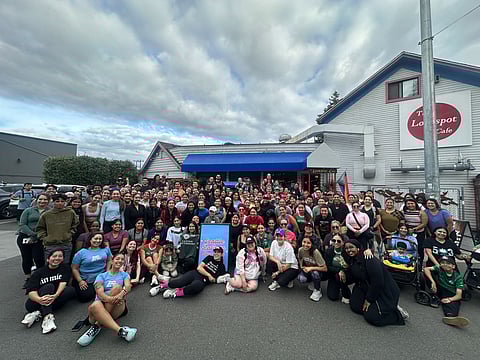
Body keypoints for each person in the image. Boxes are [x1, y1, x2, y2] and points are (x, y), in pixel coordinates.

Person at [76, 252, 137, 347]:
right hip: (100, 306)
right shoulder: (102, 276)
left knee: (117, 288)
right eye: (117, 259)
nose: (120, 261)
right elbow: (99, 292)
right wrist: (110, 298)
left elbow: (128, 286)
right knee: (96, 305)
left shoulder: (125, 275)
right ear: (112, 261)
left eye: (122, 259)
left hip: (117, 305)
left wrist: (121, 294)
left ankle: (97, 326)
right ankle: (120, 330)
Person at [345, 239, 408, 326]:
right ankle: (375, 308)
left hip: (383, 290)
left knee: (372, 317)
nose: (349, 250)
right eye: (346, 248)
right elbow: (352, 278)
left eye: (351, 247)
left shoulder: (369, 258)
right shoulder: (351, 260)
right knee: (355, 306)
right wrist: (342, 272)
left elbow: (378, 282)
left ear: (358, 248)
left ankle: (397, 314)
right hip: (365, 287)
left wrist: (369, 299)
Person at [21, 248, 76, 334]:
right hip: (36, 302)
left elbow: (63, 283)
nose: (57, 258)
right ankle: (48, 316)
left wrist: (55, 295)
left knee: (71, 290)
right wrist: (39, 299)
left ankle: (38, 313)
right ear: (48, 259)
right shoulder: (39, 272)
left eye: (60, 256)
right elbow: (31, 292)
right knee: (49, 286)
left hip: (55, 297)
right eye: (54, 256)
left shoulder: (65, 268)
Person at [150, 247, 229, 298]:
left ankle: (174, 292)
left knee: (195, 288)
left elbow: (217, 279)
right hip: (195, 273)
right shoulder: (209, 258)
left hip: (202, 281)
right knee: (178, 282)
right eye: (215, 251)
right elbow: (199, 268)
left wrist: (214, 279)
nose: (216, 253)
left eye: (218, 252)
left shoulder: (222, 266)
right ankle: (160, 287)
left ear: (222, 254)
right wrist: (209, 275)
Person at [424, 256, 470, 327]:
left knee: (452, 304)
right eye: (443, 263)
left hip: (450, 293)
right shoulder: (439, 268)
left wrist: (449, 299)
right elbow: (426, 269)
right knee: (428, 273)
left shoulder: (457, 277)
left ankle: (451, 318)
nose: (445, 265)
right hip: (440, 288)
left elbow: (458, 295)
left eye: (448, 263)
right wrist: (432, 282)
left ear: (453, 266)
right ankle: (435, 297)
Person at [17, 192, 50, 288]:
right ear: (36, 200)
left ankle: (39, 278)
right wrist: (33, 234)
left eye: (45, 199)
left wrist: (39, 236)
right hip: (25, 237)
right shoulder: (28, 210)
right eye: (40, 199)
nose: (42, 201)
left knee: (38, 258)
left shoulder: (50, 212)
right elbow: (22, 224)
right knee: (27, 258)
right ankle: (28, 278)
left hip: (40, 239)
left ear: (48, 201)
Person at [36, 193, 79, 264]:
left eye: (62, 201)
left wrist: (69, 234)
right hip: (50, 244)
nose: (60, 203)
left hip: (66, 243)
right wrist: (45, 238)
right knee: (50, 264)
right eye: (57, 201)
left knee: (64, 264)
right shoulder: (46, 214)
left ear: (65, 202)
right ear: (53, 202)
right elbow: (40, 228)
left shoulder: (70, 213)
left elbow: (75, 224)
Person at [71, 232, 113, 303]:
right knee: (85, 297)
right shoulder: (81, 252)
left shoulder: (106, 249)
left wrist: (107, 271)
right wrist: (80, 281)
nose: (98, 241)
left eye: (100, 239)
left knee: (113, 288)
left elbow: (109, 260)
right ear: (90, 240)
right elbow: (74, 268)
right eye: (96, 238)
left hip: (101, 276)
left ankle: (99, 291)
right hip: (86, 278)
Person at [297, 237, 327, 301]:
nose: (305, 244)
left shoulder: (315, 252)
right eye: (304, 242)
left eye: (308, 243)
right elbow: (300, 258)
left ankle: (318, 290)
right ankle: (312, 282)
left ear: (312, 244)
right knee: (301, 278)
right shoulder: (300, 250)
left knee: (315, 273)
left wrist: (311, 268)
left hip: (319, 271)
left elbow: (325, 268)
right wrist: (301, 266)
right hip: (309, 269)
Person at [325, 234, 351, 303]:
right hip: (334, 274)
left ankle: (345, 292)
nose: (336, 242)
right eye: (334, 240)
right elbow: (328, 266)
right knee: (332, 297)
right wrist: (339, 271)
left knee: (342, 277)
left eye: (339, 241)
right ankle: (338, 286)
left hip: (347, 273)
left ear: (343, 242)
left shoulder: (347, 251)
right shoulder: (329, 251)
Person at [403, 198, 428, 264]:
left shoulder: (421, 212)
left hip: (419, 233)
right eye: (408, 204)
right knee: (408, 247)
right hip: (407, 233)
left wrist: (414, 229)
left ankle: (420, 263)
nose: (410, 205)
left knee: (419, 248)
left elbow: (424, 223)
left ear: (415, 204)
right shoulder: (404, 212)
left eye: (412, 203)